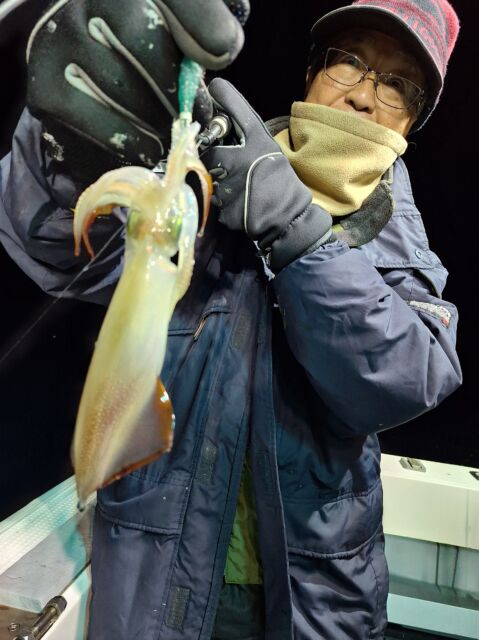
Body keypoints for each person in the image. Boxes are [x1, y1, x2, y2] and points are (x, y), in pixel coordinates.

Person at [0, 0, 462, 638]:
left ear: (412, 120)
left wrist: (295, 230)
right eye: (349, 62)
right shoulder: (207, 188)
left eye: (396, 85)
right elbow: (52, 240)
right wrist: (65, 144)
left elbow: (404, 380)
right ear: (312, 74)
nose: (362, 95)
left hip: (312, 603)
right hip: (157, 585)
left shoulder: (400, 246)